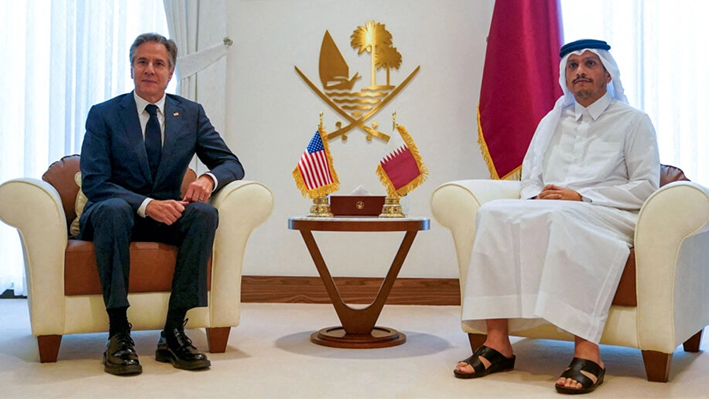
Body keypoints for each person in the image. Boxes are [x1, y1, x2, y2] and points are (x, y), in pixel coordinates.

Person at [453, 39, 660, 395]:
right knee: (491, 213)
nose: (581, 71)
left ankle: (588, 354)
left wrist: (581, 196)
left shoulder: (633, 121)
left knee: (565, 218)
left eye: (591, 64)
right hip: (552, 206)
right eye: (573, 65)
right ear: (566, 76)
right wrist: (537, 196)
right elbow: (530, 177)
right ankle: (498, 343)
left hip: (608, 211)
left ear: (608, 74)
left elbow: (645, 187)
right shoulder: (552, 121)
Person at [78, 33, 244, 376]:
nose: (149, 70)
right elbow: (95, 182)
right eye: (142, 62)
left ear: (170, 73)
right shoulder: (104, 115)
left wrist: (207, 180)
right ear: (132, 69)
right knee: (112, 210)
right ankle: (118, 333)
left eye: (158, 64)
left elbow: (230, 163)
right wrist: (145, 203)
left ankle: (173, 332)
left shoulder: (191, 114)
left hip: (164, 213)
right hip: (112, 210)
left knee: (204, 215)